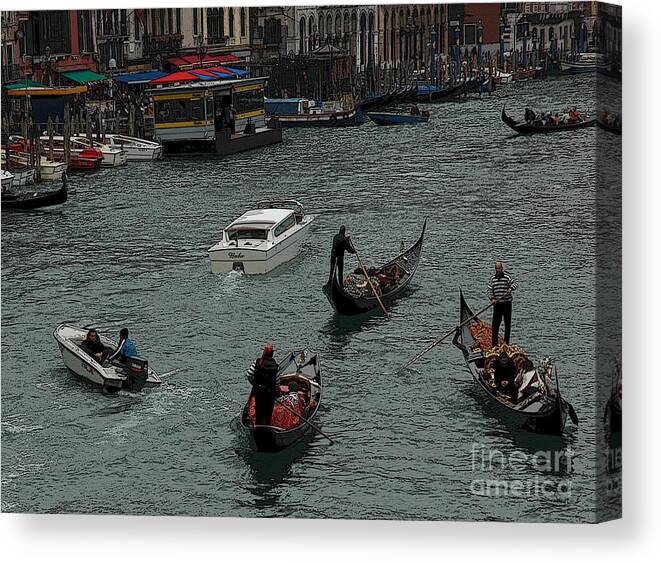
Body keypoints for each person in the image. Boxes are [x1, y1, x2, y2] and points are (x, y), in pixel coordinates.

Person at [487, 261, 518, 346]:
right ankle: (494, 345)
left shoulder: (507, 277)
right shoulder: (492, 279)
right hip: (497, 304)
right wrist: (492, 298)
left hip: (507, 304)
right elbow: (489, 290)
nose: (498, 270)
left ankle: (506, 344)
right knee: (495, 325)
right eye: (496, 269)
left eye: (499, 268)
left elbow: (515, 284)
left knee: (507, 324)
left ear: (502, 268)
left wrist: (511, 288)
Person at [251, 344, 280, 426]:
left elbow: (249, 374)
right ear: (272, 354)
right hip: (270, 394)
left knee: (259, 412)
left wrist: (255, 384)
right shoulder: (275, 366)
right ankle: (267, 427)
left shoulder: (257, 362)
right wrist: (276, 390)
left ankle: (258, 428)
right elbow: (277, 382)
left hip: (259, 392)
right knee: (268, 414)